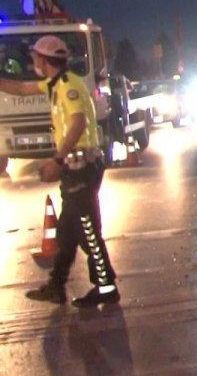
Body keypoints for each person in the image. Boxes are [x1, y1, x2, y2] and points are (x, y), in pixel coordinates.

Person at [0, 35, 119, 306]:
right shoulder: (54, 84)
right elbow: (21, 89)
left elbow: (77, 123)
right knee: (66, 232)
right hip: (74, 168)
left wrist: (57, 159)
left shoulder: (68, 86)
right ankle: (56, 286)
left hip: (81, 168)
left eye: (36, 58)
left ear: (45, 60)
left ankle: (106, 287)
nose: (34, 62)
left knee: (88, 231)